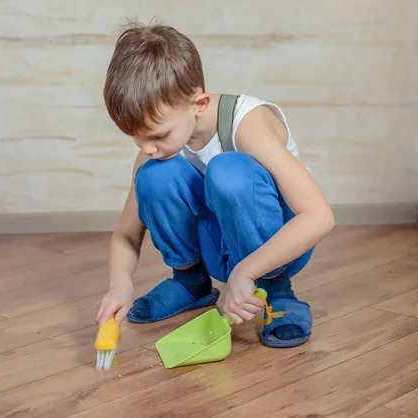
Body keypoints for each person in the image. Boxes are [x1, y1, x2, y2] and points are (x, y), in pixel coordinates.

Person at [95, 20, 334, 348]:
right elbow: (125, 234)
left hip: (277, 248)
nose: (146, 147)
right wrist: (119, 284)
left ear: (199, 104)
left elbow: (319, 217)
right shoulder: (156, 148)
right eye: (136, 137)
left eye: (159, 135)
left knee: (227, 171)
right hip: (221, 249)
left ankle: (276, 290)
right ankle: (191, 282)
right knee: (153, 174)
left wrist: (247, 271)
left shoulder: (246, 123)